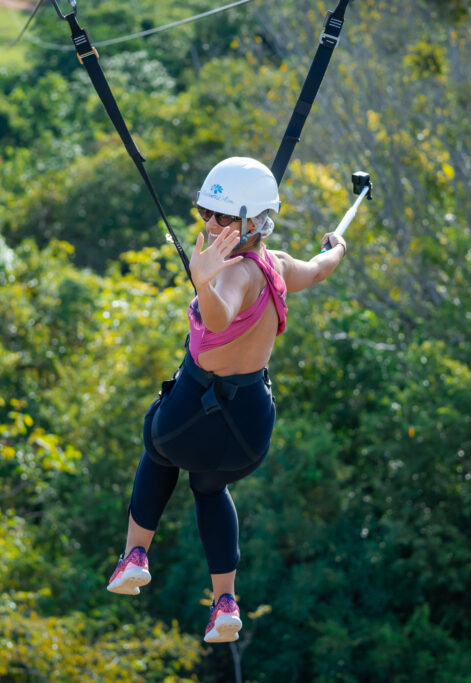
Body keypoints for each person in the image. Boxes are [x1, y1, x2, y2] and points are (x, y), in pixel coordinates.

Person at [105, 157, 348, 643]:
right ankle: (225, 603)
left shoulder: (231, 276)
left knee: (157, 450)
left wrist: (202, 280)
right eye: (204, 214)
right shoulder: (276, 264)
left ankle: (135, 555)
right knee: (210, 490)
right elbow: (318, 271)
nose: (210, 224)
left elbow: (218, 318)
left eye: (222, 217)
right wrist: (337, 247)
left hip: (192, 416)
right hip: (249, 430)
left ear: (255, 222)